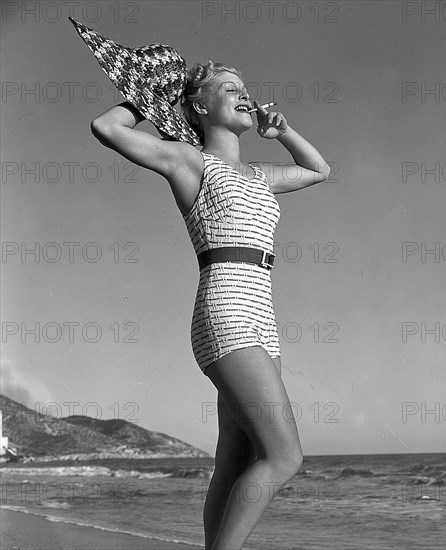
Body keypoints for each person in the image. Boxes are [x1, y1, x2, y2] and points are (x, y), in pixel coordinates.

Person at [90, 60, 330, 549]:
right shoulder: (190, 161)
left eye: (246, 87)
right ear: (200, 106)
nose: (244, 95)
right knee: (285, 456)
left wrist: (282, 131)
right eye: (229, 89)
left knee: (236, 458)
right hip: (226, 308)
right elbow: (105, 127)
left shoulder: (259, 174)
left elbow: (318, 170)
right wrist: (150, 94)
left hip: (261, 310)